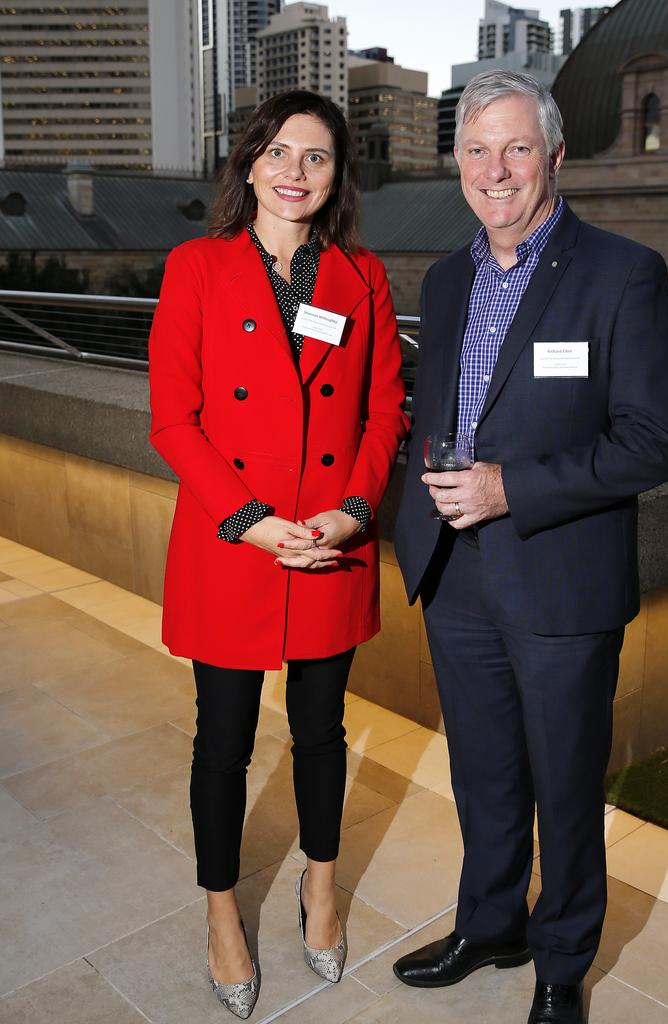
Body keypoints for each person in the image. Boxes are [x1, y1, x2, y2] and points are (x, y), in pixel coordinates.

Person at [393, 70, 668, 1024]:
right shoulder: (446, 279)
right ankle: (490, 926)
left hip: (560, 574)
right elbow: (434, 413)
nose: (496, 168)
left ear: (554, 156)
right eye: (477, 150)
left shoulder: (621, 272)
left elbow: (657, 440)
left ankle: (562, 965)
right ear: (457, 164)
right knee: (482, 771)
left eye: (517, 147)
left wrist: (506, 487)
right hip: (457, 571)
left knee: (564, 787)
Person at [149, 90, 407, 1019]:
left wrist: (349, 512)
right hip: (235, 542)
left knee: (322, 732)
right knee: (221, 743)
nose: (296, 172)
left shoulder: (362, 277)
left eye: (319, 158)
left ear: (339, 176)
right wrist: (250, 520)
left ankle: (321, 890)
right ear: (251, 161)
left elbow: (385, 414)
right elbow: (174, 422)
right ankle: (223, 913)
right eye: (280, 152)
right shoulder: (197, 267)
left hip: (328, 542)